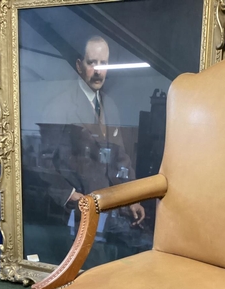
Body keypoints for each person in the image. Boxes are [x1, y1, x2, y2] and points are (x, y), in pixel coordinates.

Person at [36, 35, 147, 267]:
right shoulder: (60, 107)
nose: (98, 71)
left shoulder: (111, 107)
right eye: (91, 62)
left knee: (140, 254)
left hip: (110, 210)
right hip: (77, 216)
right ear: (79, 65)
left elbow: (121, 159)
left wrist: (132, 199)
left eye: (104, 63)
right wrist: (70, 196)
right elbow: (43, 162)